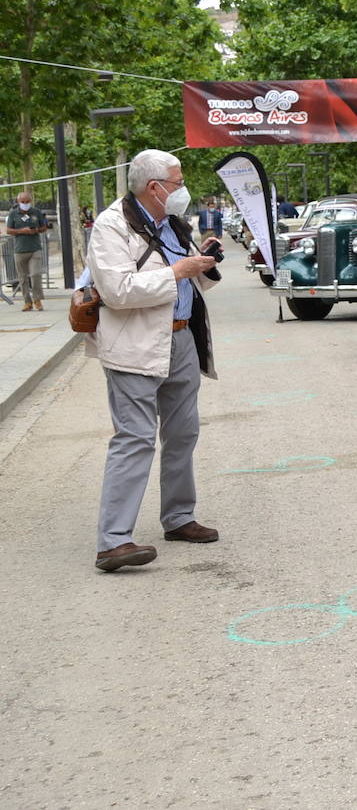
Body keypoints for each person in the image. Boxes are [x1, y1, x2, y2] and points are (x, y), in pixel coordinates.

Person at [85, 149, 223, 572]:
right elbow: (117, 291)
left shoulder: (171, 223)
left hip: (180, 340)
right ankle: (113, 542)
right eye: (178, 182)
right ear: (154, 187)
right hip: (134, 346)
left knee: (183, 433)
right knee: (135, 438)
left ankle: (179, 517)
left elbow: (185, 280)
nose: (183, 189)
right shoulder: (111, 225)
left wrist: (203, 262)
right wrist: (178, 271)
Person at [6, 192, 49, 311]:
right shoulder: (13, 213)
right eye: (23, 202)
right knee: (23, 278)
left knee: (35, 275)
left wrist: (36, 230)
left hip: (35, 249)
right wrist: (21, 231)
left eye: (27, 202)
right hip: (20, 250)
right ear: (18, 202)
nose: (25, 204)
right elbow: (8, 230)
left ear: (31, 201)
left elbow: (44, 227)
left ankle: (37, 299)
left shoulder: (36, 212)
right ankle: (27, 301)